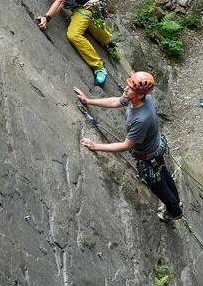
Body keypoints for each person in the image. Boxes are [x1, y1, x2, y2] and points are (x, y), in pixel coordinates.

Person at [75, 71, 183, 221]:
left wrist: (96, 146)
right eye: (128, 85)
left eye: (130, 88)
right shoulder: (142, 99)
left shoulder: (141, 120)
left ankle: (175, 212)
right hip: (156, 148)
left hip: (149, 157)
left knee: (158, 187)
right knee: (164, 173)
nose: (126, 89)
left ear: (138, 95)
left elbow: (126, 146)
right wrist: (88, 101)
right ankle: (177, 203)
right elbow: (116, 102)